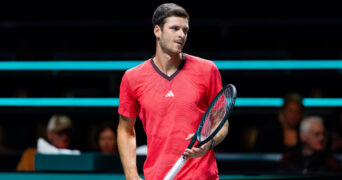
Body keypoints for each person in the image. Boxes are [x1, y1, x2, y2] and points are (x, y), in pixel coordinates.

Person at [117, 3, 228, 180]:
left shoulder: (208, 70)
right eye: (174, 28)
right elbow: (125, 130)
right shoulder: (132, 77)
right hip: (158, 175)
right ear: (157, 31)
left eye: (185, 30)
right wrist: (131, 173)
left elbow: (221, 122)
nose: (181, 35)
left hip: (202, 176)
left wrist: (209, 143)